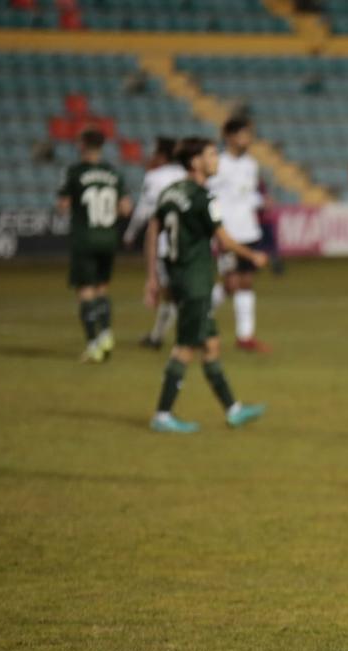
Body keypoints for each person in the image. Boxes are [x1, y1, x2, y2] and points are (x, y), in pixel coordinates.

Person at [145, 137, 268, 434]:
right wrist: (253, 255)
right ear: (195, 161)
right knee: (185, 348)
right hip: (196, 281)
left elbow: (152, 228)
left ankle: (233, 409)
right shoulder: (204, 198)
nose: (216, 160)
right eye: (211, 155)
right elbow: (223, 241)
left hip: (178, 276)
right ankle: (162, 414)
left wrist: (152, 275)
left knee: (211, 345)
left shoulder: (171, 193)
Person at [57, 127, 132, 363]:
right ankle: (107, 333)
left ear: (82, 145)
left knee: (85, 292)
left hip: (85, 238)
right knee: (102, 289)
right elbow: (125, 208)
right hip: (109, 239)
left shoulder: (74, 172)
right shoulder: (113, 172)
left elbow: (63, 205)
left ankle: (93, 344)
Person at [207, 116, 270, 352]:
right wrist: (215, 227)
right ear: (230, 137)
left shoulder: (251, 164)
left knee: (245, 282)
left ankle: (245, 337)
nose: (248, 139)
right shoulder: (218, 164)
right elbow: (209, 195)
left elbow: (248, 194)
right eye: (243, 134)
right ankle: (199, 313)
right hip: (228, 231)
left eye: (249, 134)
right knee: (231, 282)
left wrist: (261, 201)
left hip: (249, 229)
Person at [125, 136, 186, 349]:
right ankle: (158, 336)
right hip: (188, 241)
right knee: (178, 292)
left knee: (171, 292)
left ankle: (175, 336)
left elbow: (144, 209)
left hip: (163, 241)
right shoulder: (187, 175)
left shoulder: (155, 177)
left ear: (161, 155)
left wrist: (130, 233)